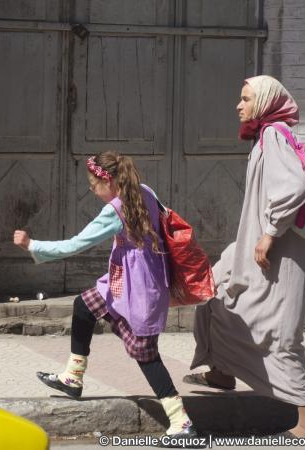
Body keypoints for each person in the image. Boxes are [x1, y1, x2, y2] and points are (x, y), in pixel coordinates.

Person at [14, 151, 197, 442]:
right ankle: (73, 376)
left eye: (93, 183)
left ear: (108, 180)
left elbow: (75, 245)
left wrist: (32, 245)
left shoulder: (115, 209)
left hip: (139, 292)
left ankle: (181, 421)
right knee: (83, 305)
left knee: (146, 354)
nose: (91, 189)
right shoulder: (146, 192)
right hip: (128, 284)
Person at [183, 75, 305, 439]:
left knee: (276, 333)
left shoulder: (274, 135)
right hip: (260, 249)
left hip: (277, 255)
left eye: (245, 99)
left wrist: (269, 234)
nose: (238, 105)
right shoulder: (269, 136)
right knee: (214, 292)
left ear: (263, 103)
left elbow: (292, 188)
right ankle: (221, 371)